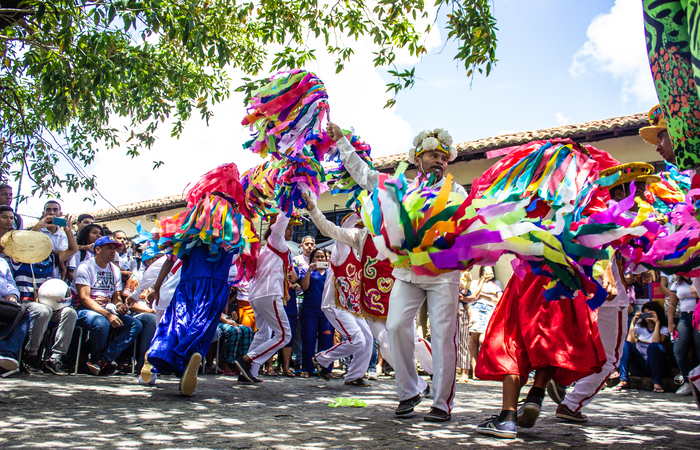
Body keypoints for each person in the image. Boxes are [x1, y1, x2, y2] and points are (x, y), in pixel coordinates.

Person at [326, 123, 466, 422]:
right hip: (408, 271)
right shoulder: (401, 187)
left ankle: (441, 402)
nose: (439, 161)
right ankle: (409, 391)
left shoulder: (456, 190)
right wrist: (341, 142)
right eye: (432, 156)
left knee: (442, 336)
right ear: (418, 160)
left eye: (443, 157)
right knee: (395, 326)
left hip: (443, 273)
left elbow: (465, 226)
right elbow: (365, 175)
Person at [235, 213, 297, 383]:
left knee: (264, 333)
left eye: (292, 227)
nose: (292, 230)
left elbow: (293, 278)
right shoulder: (276, 240)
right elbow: (278, 226)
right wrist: (289, 204)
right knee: (284, 335)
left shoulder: (267, 248)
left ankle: (248, 374)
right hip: (269, 294)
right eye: (289, 227)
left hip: (257, 295)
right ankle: (247, 359)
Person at [10, 221, 78, 374]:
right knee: (43, 311)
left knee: (70, 313)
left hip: (50, 305)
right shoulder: (19, 258)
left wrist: (67, 230)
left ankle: (56, 358)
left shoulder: (50, 259)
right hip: (26, 305)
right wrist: (39, 227)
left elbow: (73, 249)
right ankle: (31, 355)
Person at [72, 235, 142, 376]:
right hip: (84, 310)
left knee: (135, 324)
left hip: (106, 309)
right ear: (97, 250)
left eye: (114, 248)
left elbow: (116, 297)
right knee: (101, 322)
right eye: (108, 248)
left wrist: (120, 306)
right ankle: (101, 362)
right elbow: (84, 299)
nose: (113, 251)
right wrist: (108, 315)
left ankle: (102, 360)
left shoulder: (114, 269)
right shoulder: (84, 267)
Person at [615, 301, 670, 393]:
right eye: (645, 314)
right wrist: (633, 323)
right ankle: (623, 380)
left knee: (654, 346)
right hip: (640, 365)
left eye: (650, 314)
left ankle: (657, 383)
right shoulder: (639, 327)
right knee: (626, 344)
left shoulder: (663, 329)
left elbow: (657, 342)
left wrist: (657, 323)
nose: (647, 317)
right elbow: (630, 343)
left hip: (655, 366)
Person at [298, 248, 334, 378]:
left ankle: (326, 369)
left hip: (327, 312)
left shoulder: (330, 272)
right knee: (309, 339)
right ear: (312, 259)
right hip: (310, 310)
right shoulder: (306, 270)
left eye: (322, 257)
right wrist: (309, 270)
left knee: (327, 341)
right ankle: (307, 368)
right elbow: (305, 287)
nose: (320, 259)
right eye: (317, 257)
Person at [466, 266, 502, 378]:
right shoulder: (476, 282)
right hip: (476, 307)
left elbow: (500, 299)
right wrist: (482, 281)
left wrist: (487, 297)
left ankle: (486, 369)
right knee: (474, 340)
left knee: (483, 339)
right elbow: (472, 297)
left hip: (490, 308)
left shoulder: (497, 283)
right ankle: (476, 371)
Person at [668, 276, 700, 395]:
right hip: (684, 318)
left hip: (698, 315)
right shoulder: (677, 284)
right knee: (679, 351)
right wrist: (670, 323)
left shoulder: (697, 279)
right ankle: (688, 382)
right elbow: (672, 305)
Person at [0, 255, 28, 377]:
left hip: (4, 302)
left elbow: (11, 283)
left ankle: (6, 355)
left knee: (23, 313)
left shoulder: (2, 262)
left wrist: (12, 295)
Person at [457, 272, 471, 383]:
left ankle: (465, 372)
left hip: (461, 312)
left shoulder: (464, 276)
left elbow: (469, 295)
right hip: (446, 312)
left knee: (463, 342)